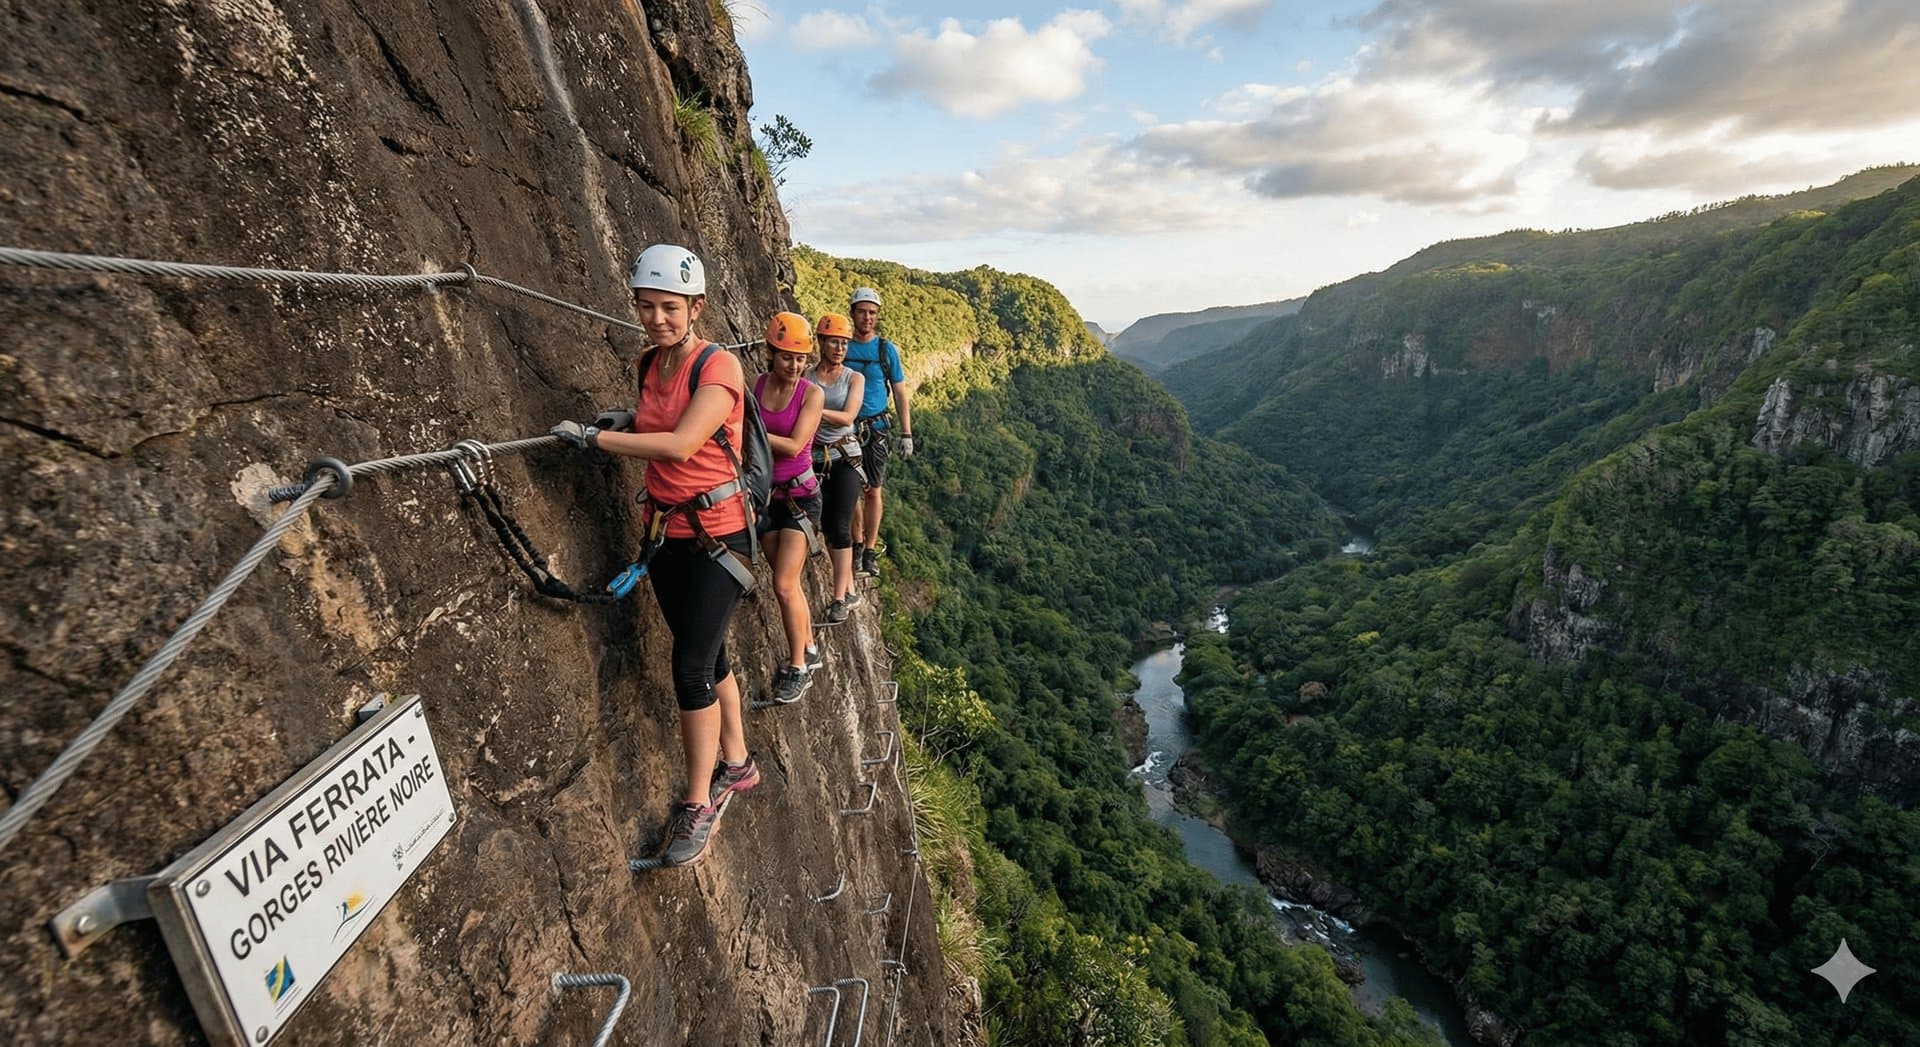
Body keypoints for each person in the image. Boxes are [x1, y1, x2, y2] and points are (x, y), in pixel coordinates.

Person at [548, 243, 758, 868]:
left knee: (690, 667)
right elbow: (654, 421)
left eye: (669, 307)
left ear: (697, 307)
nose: (657, 318)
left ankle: (699, 801)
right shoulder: (651, 362)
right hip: (669, 535)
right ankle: (738, 763)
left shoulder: (717, 369)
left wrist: (596, 438)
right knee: (710, 653)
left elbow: (682, 442)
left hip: (720, 537)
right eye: (646, 306)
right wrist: (625, 419)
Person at [755, 311, 826, 703]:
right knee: (788, 583)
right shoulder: (760, 384)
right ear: (771, 352)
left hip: (801, 498)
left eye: (801, 359)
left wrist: (749, 430)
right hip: (769, 496)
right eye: (787, 357)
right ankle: (809, 644)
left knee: (783, 584)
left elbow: (797, 445)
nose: (795, 365)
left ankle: (798, 666)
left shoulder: (811, 394)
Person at [843, 287, 913, 579]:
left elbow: (899, 392)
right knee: (850, 490)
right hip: (845, 426)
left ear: (877, 316)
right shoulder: (841, 346)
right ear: (853, 314)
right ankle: (857, 543)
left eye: (872, 313)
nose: (867, 317)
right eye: (862, 311)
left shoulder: (886, 350)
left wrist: (906, 433)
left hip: (876, 427)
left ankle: (869, 550)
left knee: (873, 490)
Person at [807, 312, 866, 623]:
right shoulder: (806, 376)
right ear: (821, 342)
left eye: (844, 343)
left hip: (845, 456)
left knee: (840, 526)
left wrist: (811, 409)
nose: (840, 348)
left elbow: (847, 418)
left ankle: (840, 597)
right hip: (813, 457)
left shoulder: (854, 378)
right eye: (834, 342)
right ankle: (850, 587)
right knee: (827, 527)